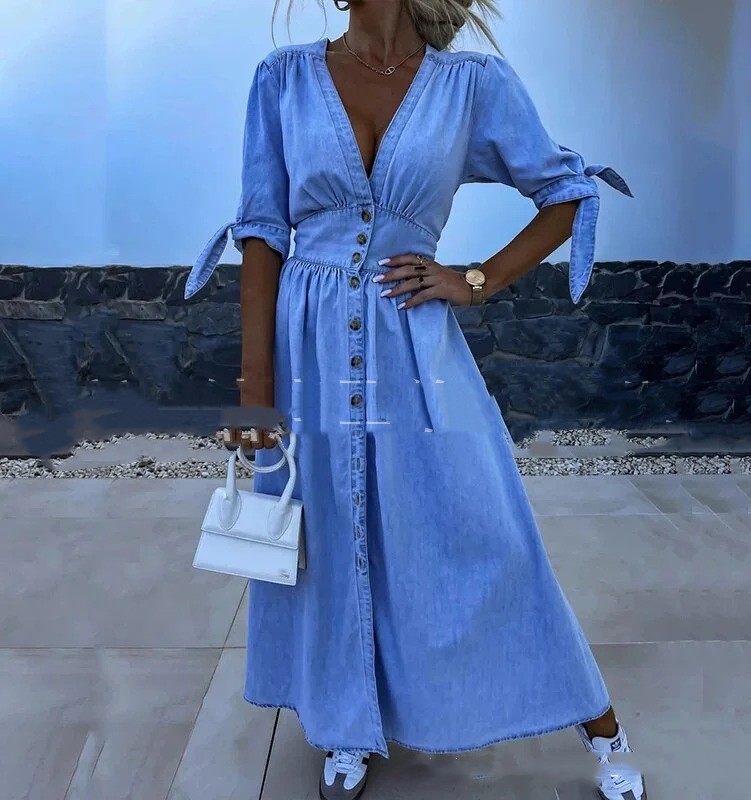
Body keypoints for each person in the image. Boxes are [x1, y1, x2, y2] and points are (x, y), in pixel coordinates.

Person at [185, 1, 642, 798]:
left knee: (485, 530)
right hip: (308, 349)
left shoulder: (470, 85)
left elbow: (566, 192)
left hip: (414, 346)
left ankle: (598, 722)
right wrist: (255, 386)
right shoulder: (283, 79)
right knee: (327, 537)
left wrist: (475, 280)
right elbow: (262, 231)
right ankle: (346, 725)